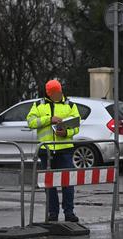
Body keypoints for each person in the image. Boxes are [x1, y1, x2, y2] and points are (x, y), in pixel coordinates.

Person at [26, 79, 81, 222]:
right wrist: (49, 119)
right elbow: (31, 122)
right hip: (46, 150)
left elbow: (76, 126)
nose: (57, 94)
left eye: (59, 91)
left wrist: (66, 133)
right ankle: (53, 214)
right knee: (49, 185)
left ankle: (69, 213)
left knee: (67, 183)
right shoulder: (38, 105)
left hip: (65, 150)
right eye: (54, 92)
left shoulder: (70, 105)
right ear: (48, 93)